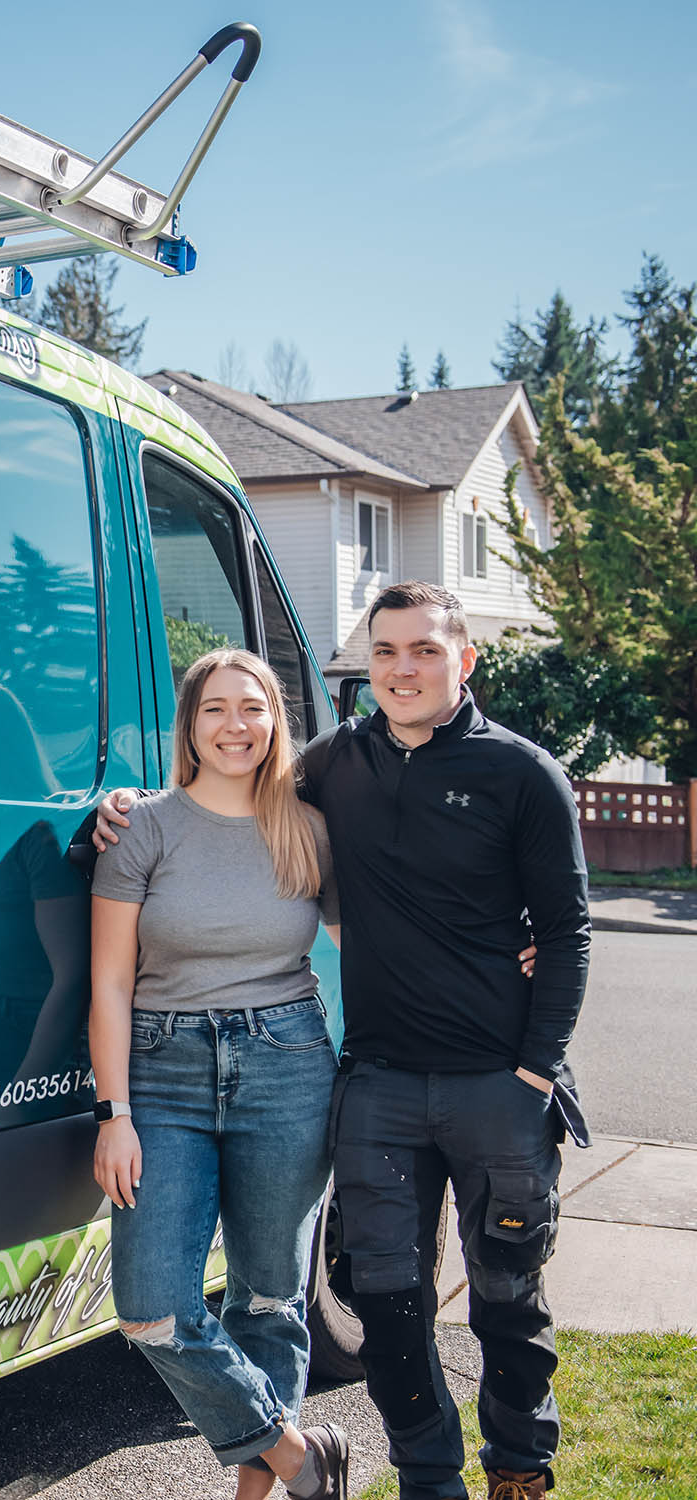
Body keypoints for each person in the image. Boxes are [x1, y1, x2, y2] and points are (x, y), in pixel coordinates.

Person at [95, 582, 590, 1500]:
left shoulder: (522, 773)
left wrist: (535, 1064)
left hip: (495, 1080)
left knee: (507, 1298)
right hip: (378, 1084)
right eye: (388, 651)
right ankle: (416, 1479)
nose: (404, 669)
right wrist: (125, 803)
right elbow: (227, 789)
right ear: (368, 661)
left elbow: (567, 930)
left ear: (463, 659)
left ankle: (519, 1469)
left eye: (426, 651)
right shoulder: (335, 767)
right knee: (386, 1307)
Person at [90, 647, 350, 1500]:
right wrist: (113, 1112)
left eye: (253, 708)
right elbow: (109, 983)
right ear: (190, 724)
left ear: (276, 721)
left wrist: (512, 956)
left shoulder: (308, 827)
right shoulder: (141, 826)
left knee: (270, 1299)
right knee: (152, 1307)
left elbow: (380, 947)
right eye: (215, 709)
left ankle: (264, 1492)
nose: (235, 725)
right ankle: (300, 1456)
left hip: (288, 1065)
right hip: (162, 1072)